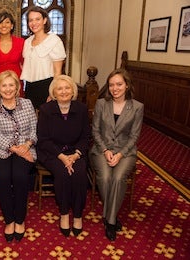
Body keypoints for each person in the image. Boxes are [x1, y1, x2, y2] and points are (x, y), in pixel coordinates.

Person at [89, 68, 144, 241]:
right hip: (100, 149)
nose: (115, 88)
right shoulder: (101, 104)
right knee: (105, 178)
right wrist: (105, 150)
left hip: (125, 152)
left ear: (127, 85)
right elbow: (95, 131)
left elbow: (134, 136)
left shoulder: (137, 107)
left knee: (118, 178)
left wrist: (120, 154)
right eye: (111, 85)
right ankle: (112, 218)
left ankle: (109, 220)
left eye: (119, 84)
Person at [37, 75, 90, 238]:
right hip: (52, 153)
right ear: (53, 92)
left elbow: (85, 137)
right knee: (62, 173)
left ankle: (78, 214)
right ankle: (65, 212)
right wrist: (61, 156)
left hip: (76, 152)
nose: (64, 91)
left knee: (80, 173)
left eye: (67, 88)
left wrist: (75, 155)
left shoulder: (81, 109)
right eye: (59, 88)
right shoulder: (46, 110)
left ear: (73, 90)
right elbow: (43, 139)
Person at [0, 70, 37, 242]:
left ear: (17, 87)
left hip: (26, 146)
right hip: (1, 149)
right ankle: (9, 219)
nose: (8, 89)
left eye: (11, 85)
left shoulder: (28, 104)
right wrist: (17, 149)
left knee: (20, 176)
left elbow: (34, 129)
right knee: (2, 177)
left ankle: (20, 219)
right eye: (4, 85)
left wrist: (27, 146)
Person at [20, 6, 66, 109]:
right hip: (30, 86)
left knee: (47, 120)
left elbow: (57, 71)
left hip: (47, 85)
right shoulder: (27, 42)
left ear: (44, 20)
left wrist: (53, 92)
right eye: (31, 20)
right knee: (32, 120)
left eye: (37, 19)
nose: (34, 23)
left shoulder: (54, 40)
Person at [0, 11, 24, 104]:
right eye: (0, 22)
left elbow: (25, 64)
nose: (4, 25)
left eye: (7, 22)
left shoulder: (21, 42)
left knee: (19, 110)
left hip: (16, 82)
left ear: (12, 26)